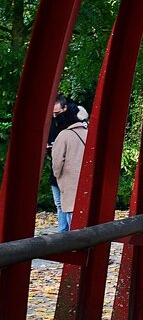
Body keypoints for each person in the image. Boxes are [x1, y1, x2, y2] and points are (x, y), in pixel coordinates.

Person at [51, 102, 89, 233]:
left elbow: (57, 163)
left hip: (68, 182)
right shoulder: (88, 133)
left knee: (67, 211)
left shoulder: (63, 135)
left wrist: (57, 175)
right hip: (85, 181)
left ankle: (69, 244)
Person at [47, 94, 72, 233]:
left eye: (57, 112)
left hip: (67, 171)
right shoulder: (50, 123)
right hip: (56, 169)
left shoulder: (71, 125)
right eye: (53, 113)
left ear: (65, 108)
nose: (55, 115)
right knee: (59, 204)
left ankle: (69, 236)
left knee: (67, 204)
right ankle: (63, 234)